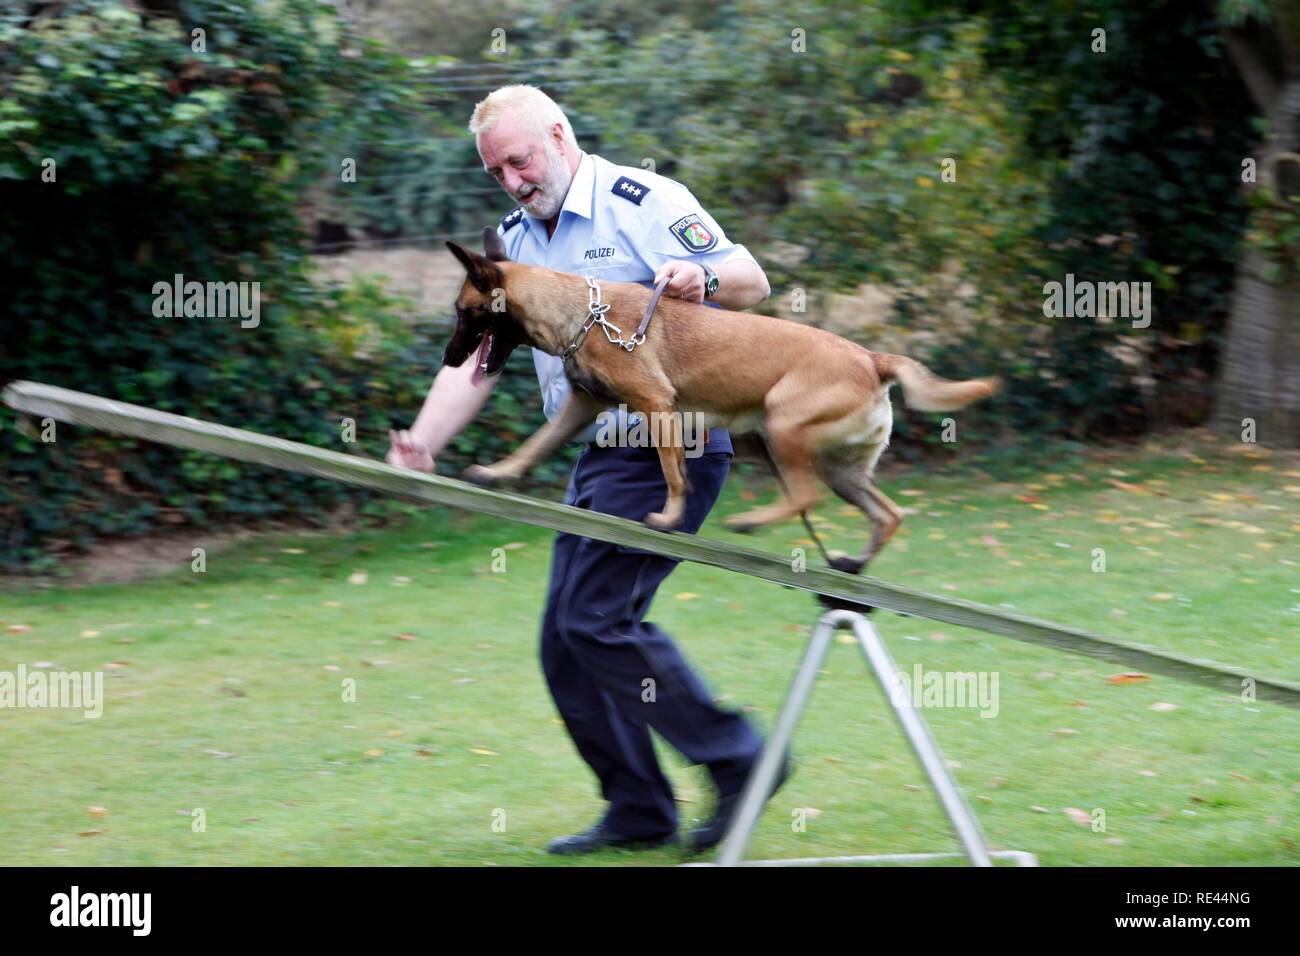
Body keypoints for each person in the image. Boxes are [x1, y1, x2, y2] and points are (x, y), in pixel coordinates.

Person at [387, 85, 786, 854]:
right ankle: (639, 809)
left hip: (673, 442)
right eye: (495, 170)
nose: (511, 179)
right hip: (601, 456)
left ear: (559, 137)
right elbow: (476, 359)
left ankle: (740, 758)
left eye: (519, 159)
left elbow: (751, 280)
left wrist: (701, 282)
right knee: (565, 643)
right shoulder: (507, 244)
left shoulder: (640, 200)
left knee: (595, 620)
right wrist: (423, 442)